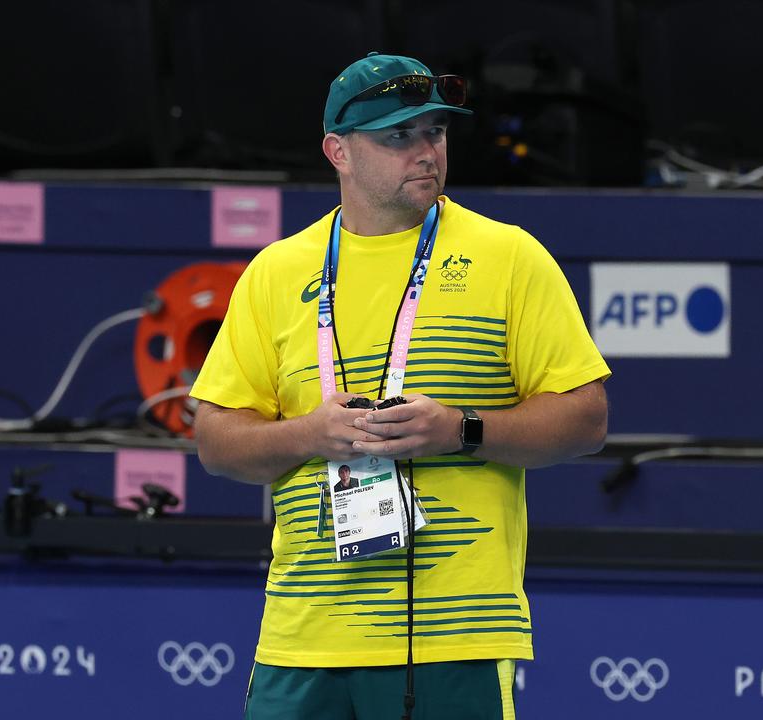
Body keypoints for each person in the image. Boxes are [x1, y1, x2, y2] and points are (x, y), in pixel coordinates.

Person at [191, 51, 610, 720]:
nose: (425, 153)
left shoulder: (509, 256)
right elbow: (214, 442)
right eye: (397, 136)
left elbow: (586, 421)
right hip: (303, 641)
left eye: (435, 133)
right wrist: (309, 434)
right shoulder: (276, 272)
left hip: (455, 637)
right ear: (339, 151)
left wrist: (461, 429)